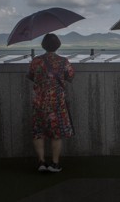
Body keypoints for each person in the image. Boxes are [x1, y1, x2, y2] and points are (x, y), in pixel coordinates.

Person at [27, 33, 75, 173]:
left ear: (43, 45)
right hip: (57, 103)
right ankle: (55, 164)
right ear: (58, 45)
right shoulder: (63, 61)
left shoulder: (36, 61)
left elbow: (31, 76)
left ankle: (41, 162)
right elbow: (70, 76)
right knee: (56, 133)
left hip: (39, 102)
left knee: (38, 132)